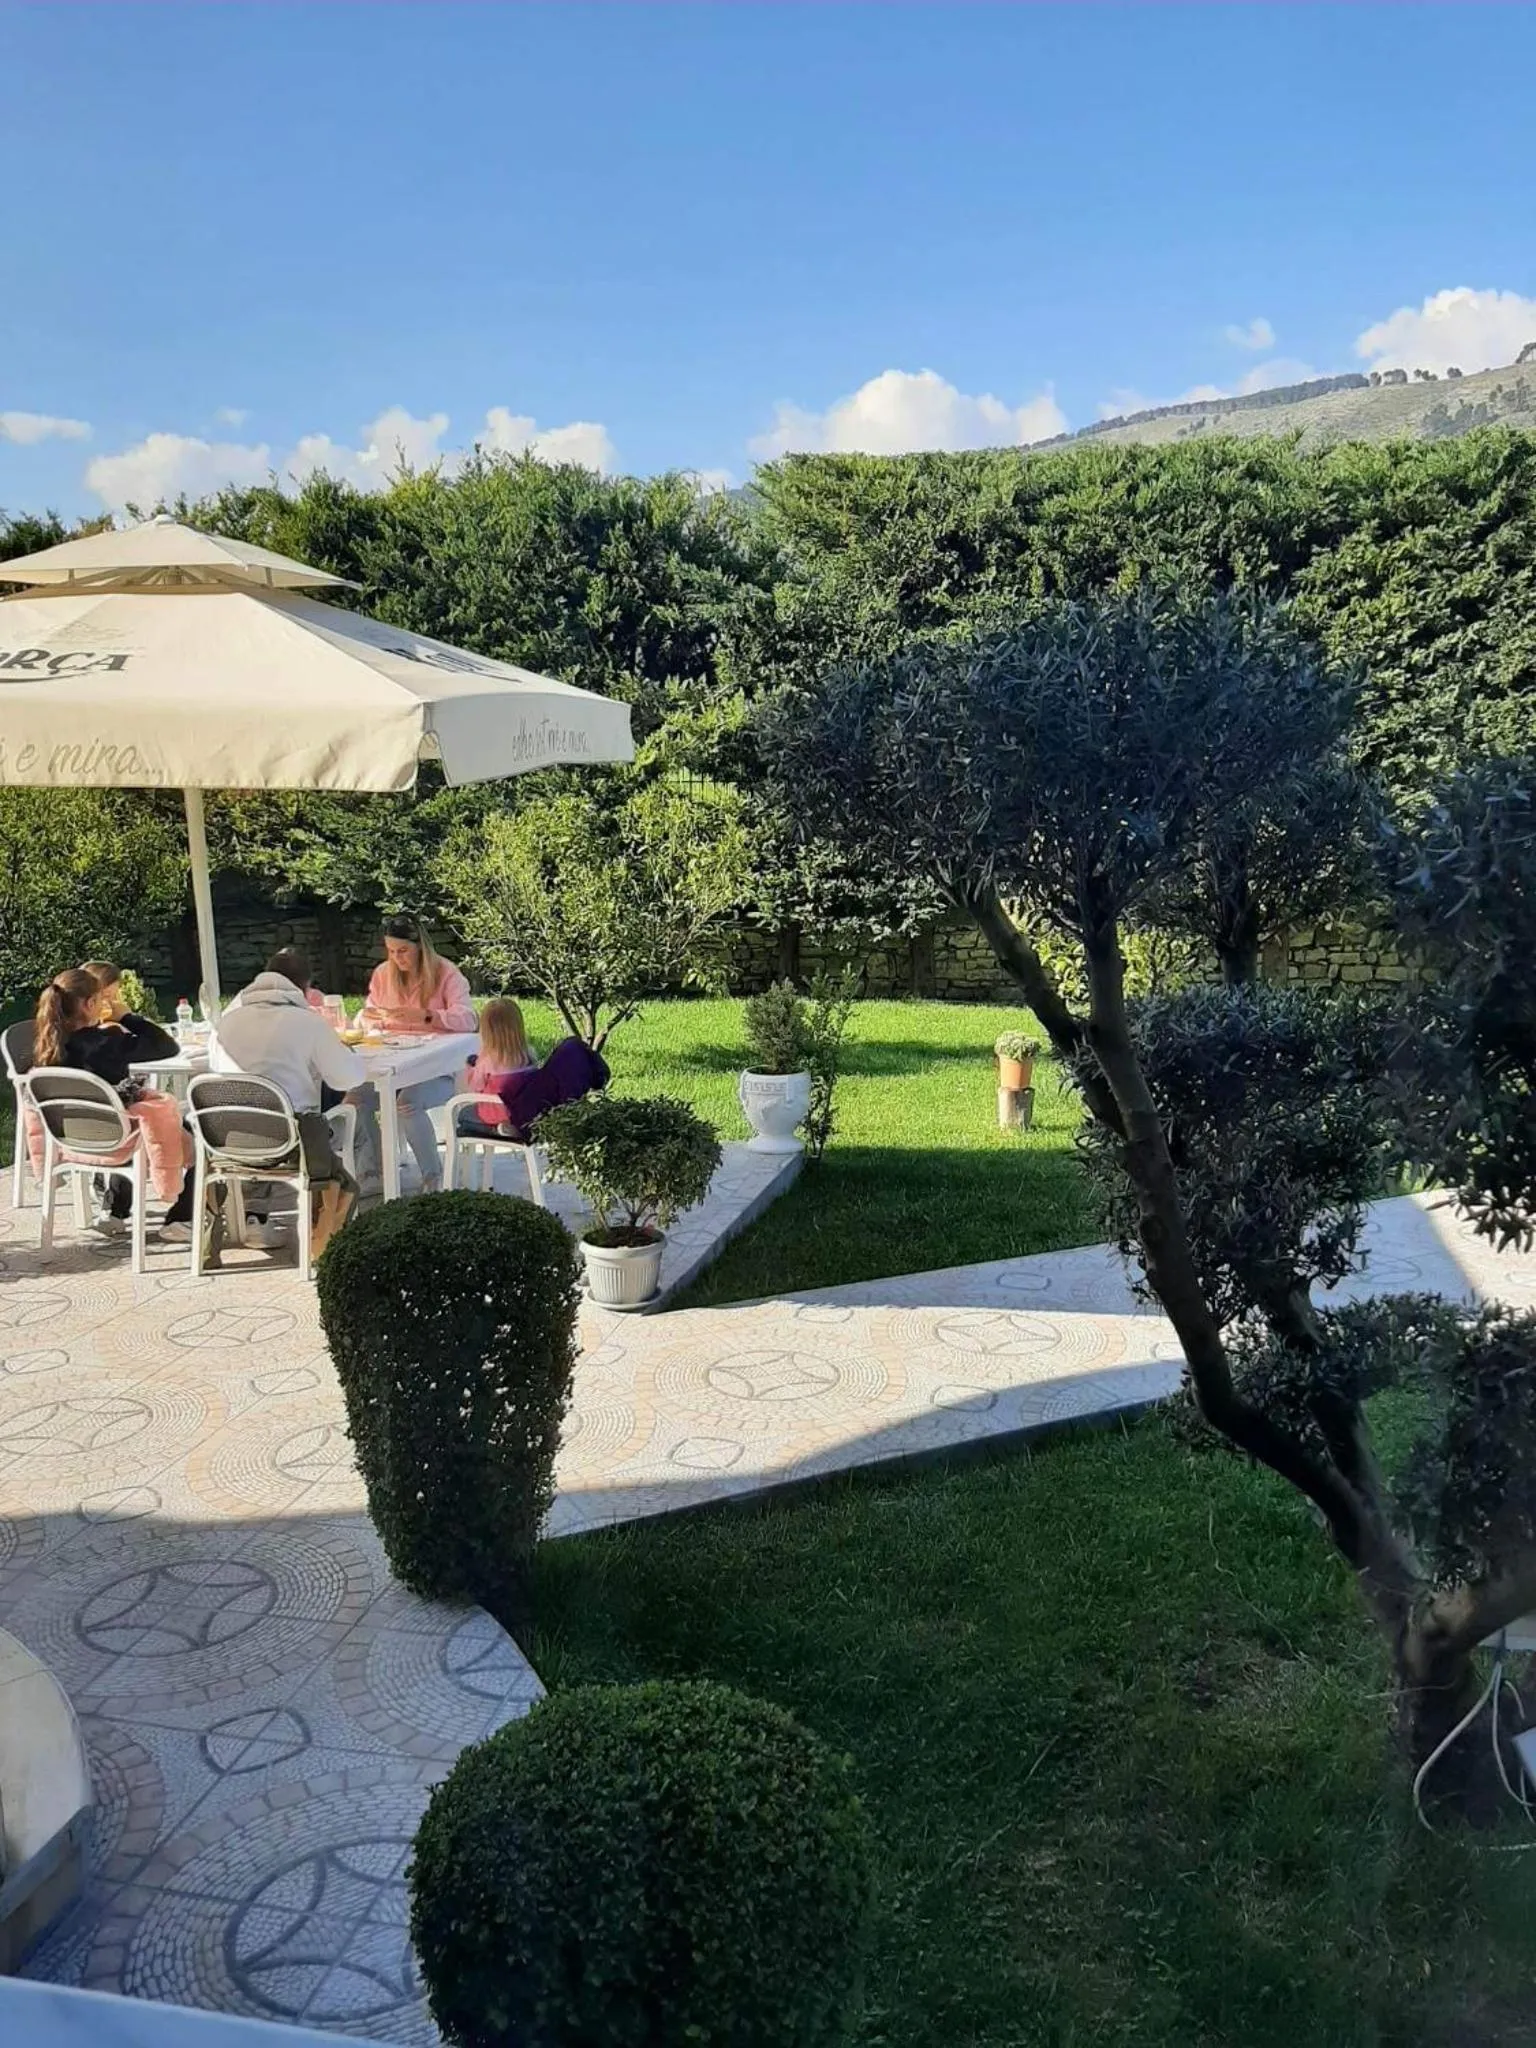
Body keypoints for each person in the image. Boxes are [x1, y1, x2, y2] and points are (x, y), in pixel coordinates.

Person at [210, 948, 366, 1256]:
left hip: (227, 1139)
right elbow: (347, 1079)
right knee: (348, 1123)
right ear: (305, 988)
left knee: (263, 1116)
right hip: (290, 1141)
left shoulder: (225, 1024)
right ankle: (326, 1242)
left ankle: (251, 1219)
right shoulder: (308, 1023)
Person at [28, 968, 196, 1240]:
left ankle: (114, 1211)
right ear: (90, 1004)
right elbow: (167, 1046)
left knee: (122, 1116)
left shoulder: (47, 1050)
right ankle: (182, 1217)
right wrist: (127, 1017)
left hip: (69, 1141)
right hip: (118, 1143)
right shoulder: (107, 1043)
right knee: (192, 1131)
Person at [353, 915, 474, 1193]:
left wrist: (427, 1016)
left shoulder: (446, 973)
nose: (398, 958)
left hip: (438, 1066)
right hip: (395, 1060)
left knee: (407, 1103)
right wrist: (370, 1018)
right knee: (356, 1098)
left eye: (403, 951)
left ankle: (434, 1177)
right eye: (392, 951)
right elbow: (369, 1014)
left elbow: (468, 1020)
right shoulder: (383, 974)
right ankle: (374, 1171)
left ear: (420, 946)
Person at [456, 998, 537, 1133]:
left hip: (494, 1112)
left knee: (463, 1115)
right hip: (523, 1112)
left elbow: (476, 1087)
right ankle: (511, 1127)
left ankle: (495, 1130)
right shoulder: (528, 1054)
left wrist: (471, 1069)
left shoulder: (488, 1060)